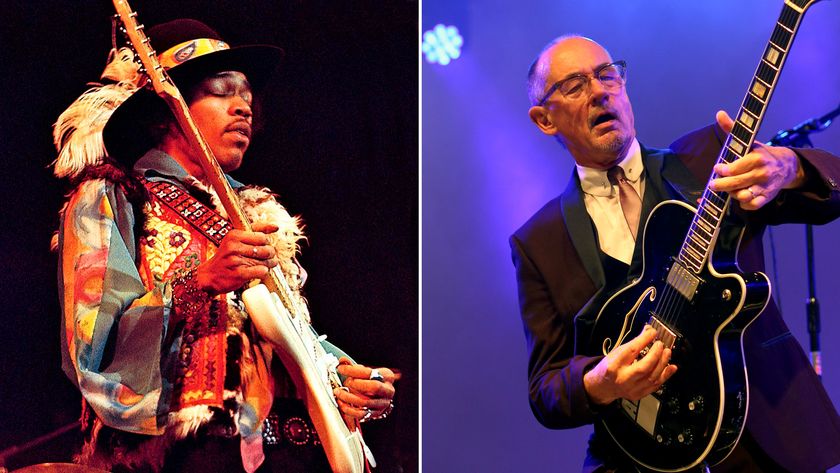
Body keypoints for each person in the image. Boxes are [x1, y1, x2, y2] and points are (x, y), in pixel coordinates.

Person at [53, 18, 396, 473]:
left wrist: (344, 379)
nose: (244, 108)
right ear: (164, 111)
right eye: (221, 91)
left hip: (296, 456)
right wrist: (200, 283)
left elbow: (290, 338)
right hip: (193, 456)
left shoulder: (257, 214)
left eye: (248, 98)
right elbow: (93, 347)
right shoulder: (116, 196)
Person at [510, 35, 840, 473]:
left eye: (607, 74)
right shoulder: (537, 242)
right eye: (574, 85)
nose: (599, 91)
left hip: (761, 434)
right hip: (638, 455)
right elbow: (545, 388)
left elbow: (829, 194)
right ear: (544, 120)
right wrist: (599, 383)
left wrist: (791, 169)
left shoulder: (706, 158)